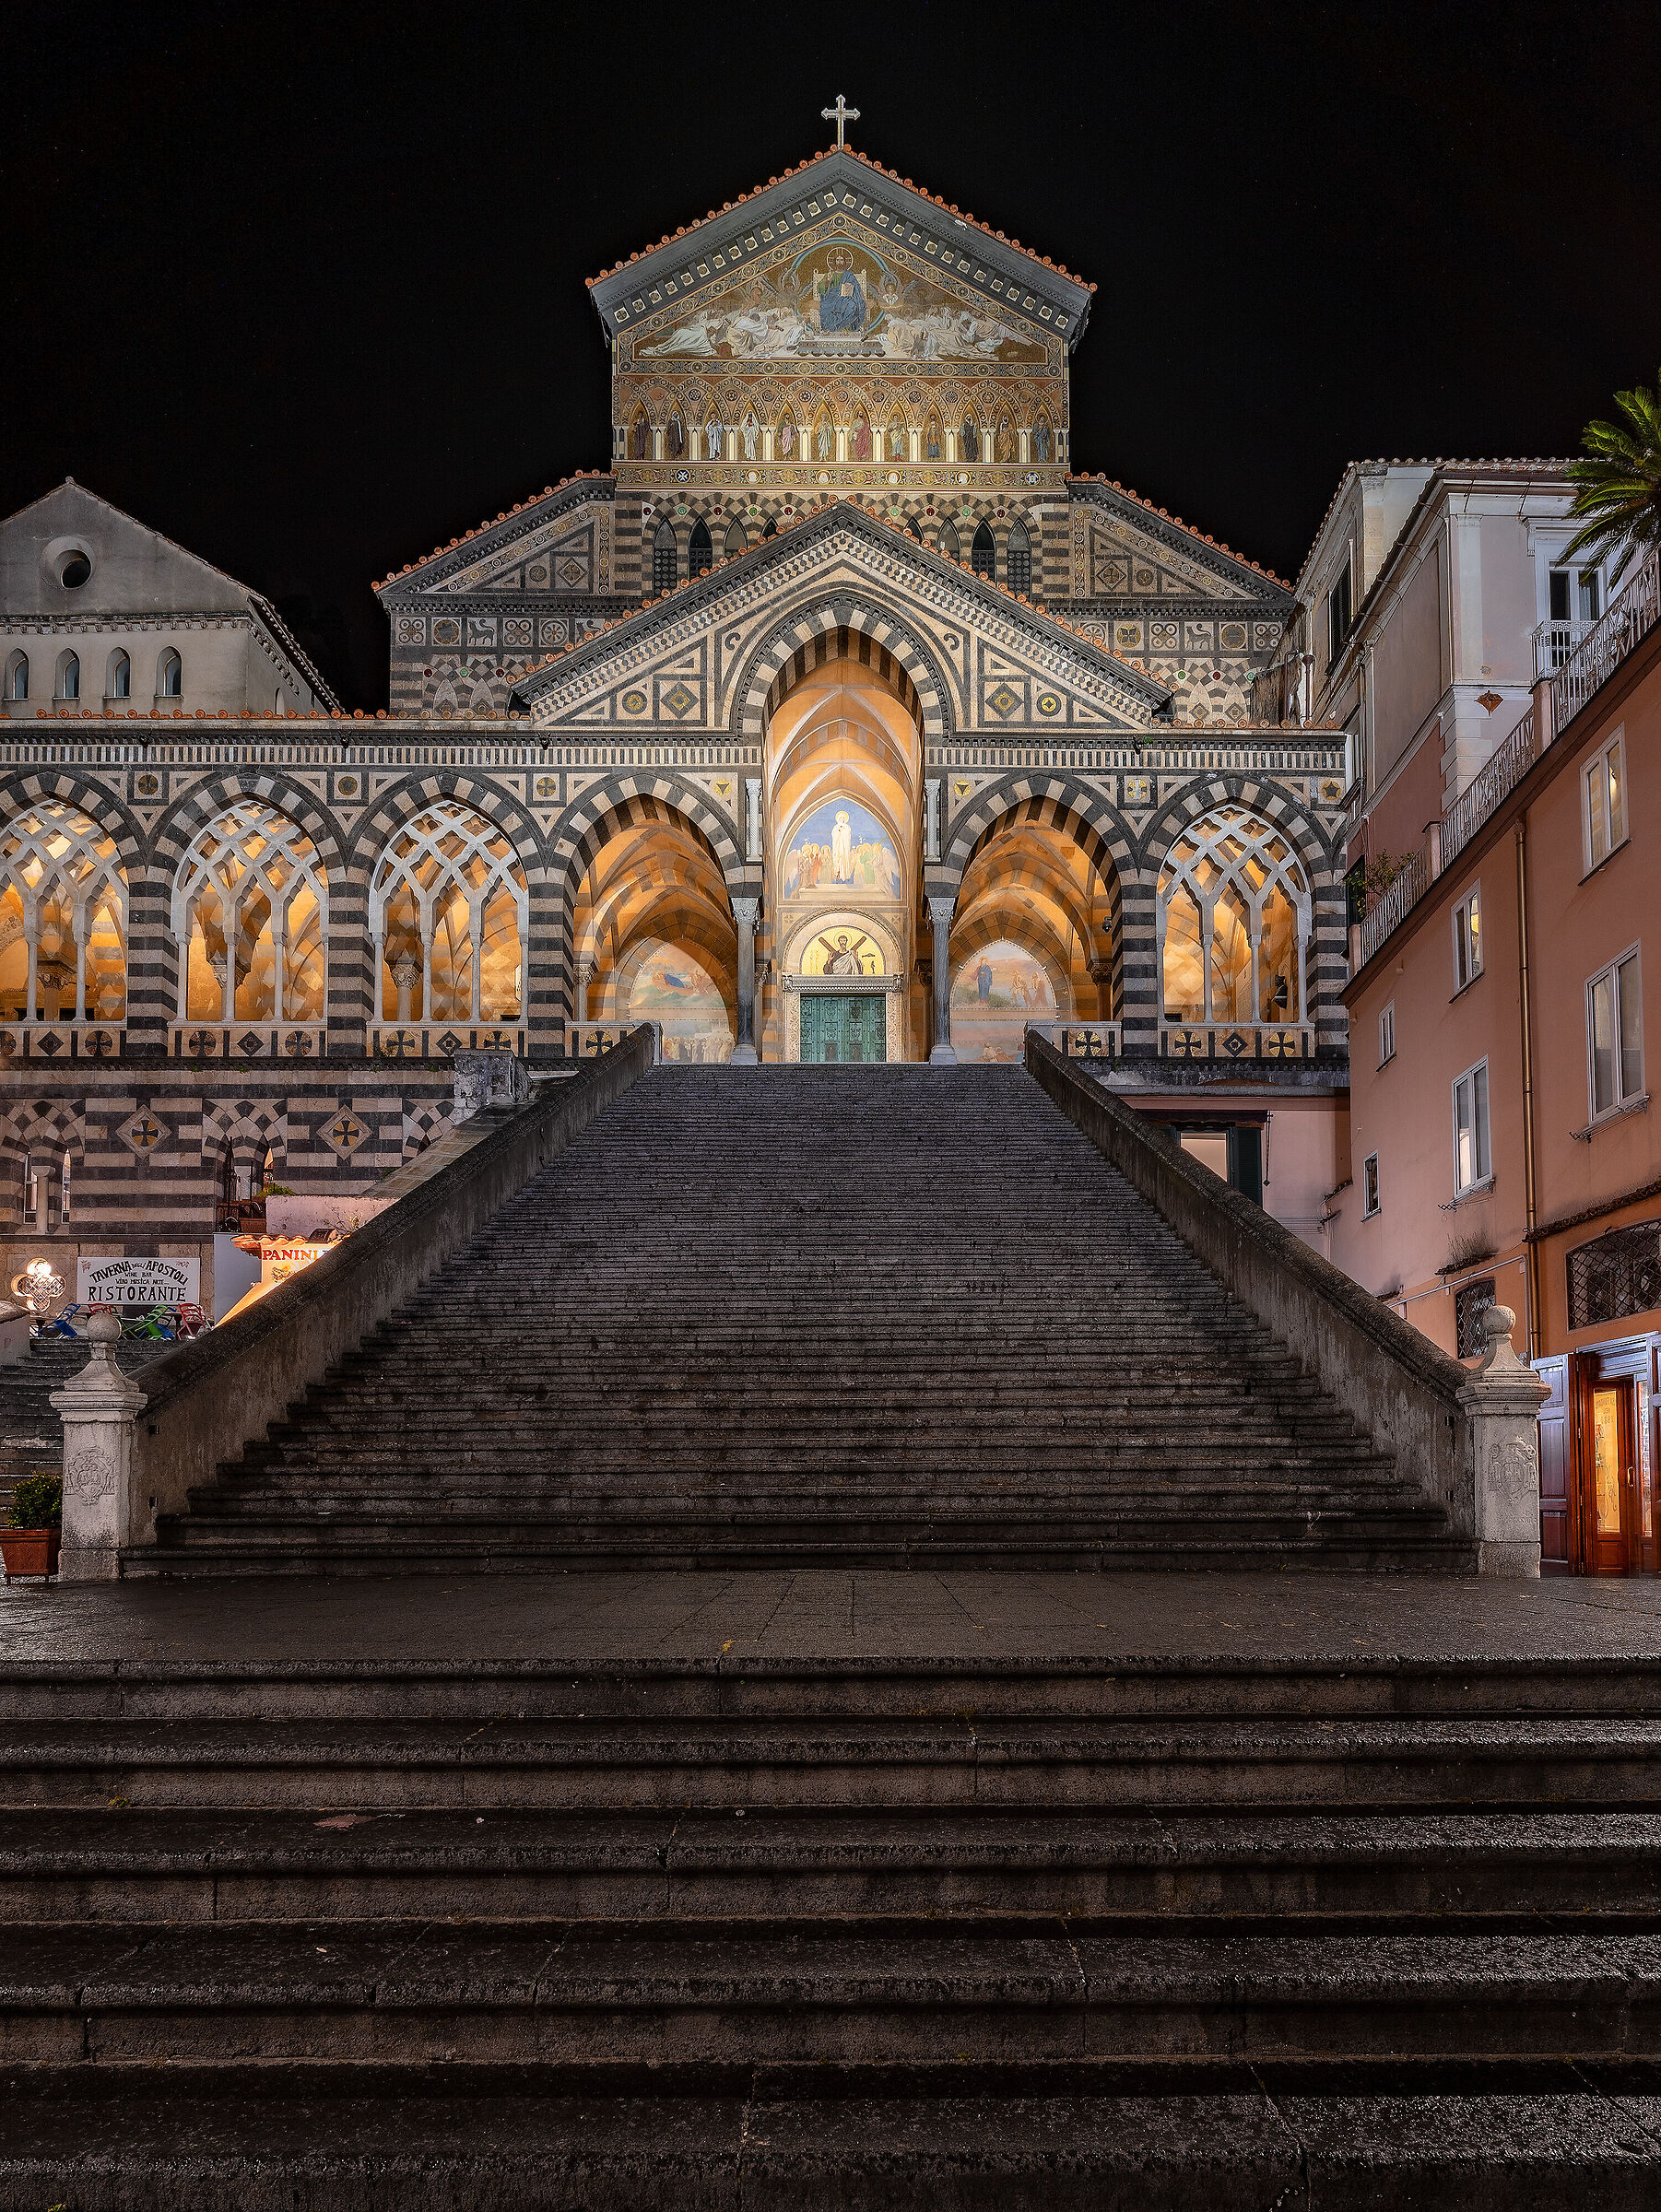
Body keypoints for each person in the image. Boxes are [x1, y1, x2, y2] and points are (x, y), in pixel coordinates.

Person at [831, 810, 854, 881]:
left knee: (845, 859)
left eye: (843, 818)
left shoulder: (847, 827)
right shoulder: (836, 827)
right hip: (838, 846)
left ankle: (845, 874)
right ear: (838, 819)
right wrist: (838, 832)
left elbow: (848, 836)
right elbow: (834, 836)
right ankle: (838, 874)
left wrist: (843, 831)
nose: (842, 819)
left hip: (845, 847)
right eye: (841, 818)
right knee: (838, 858)